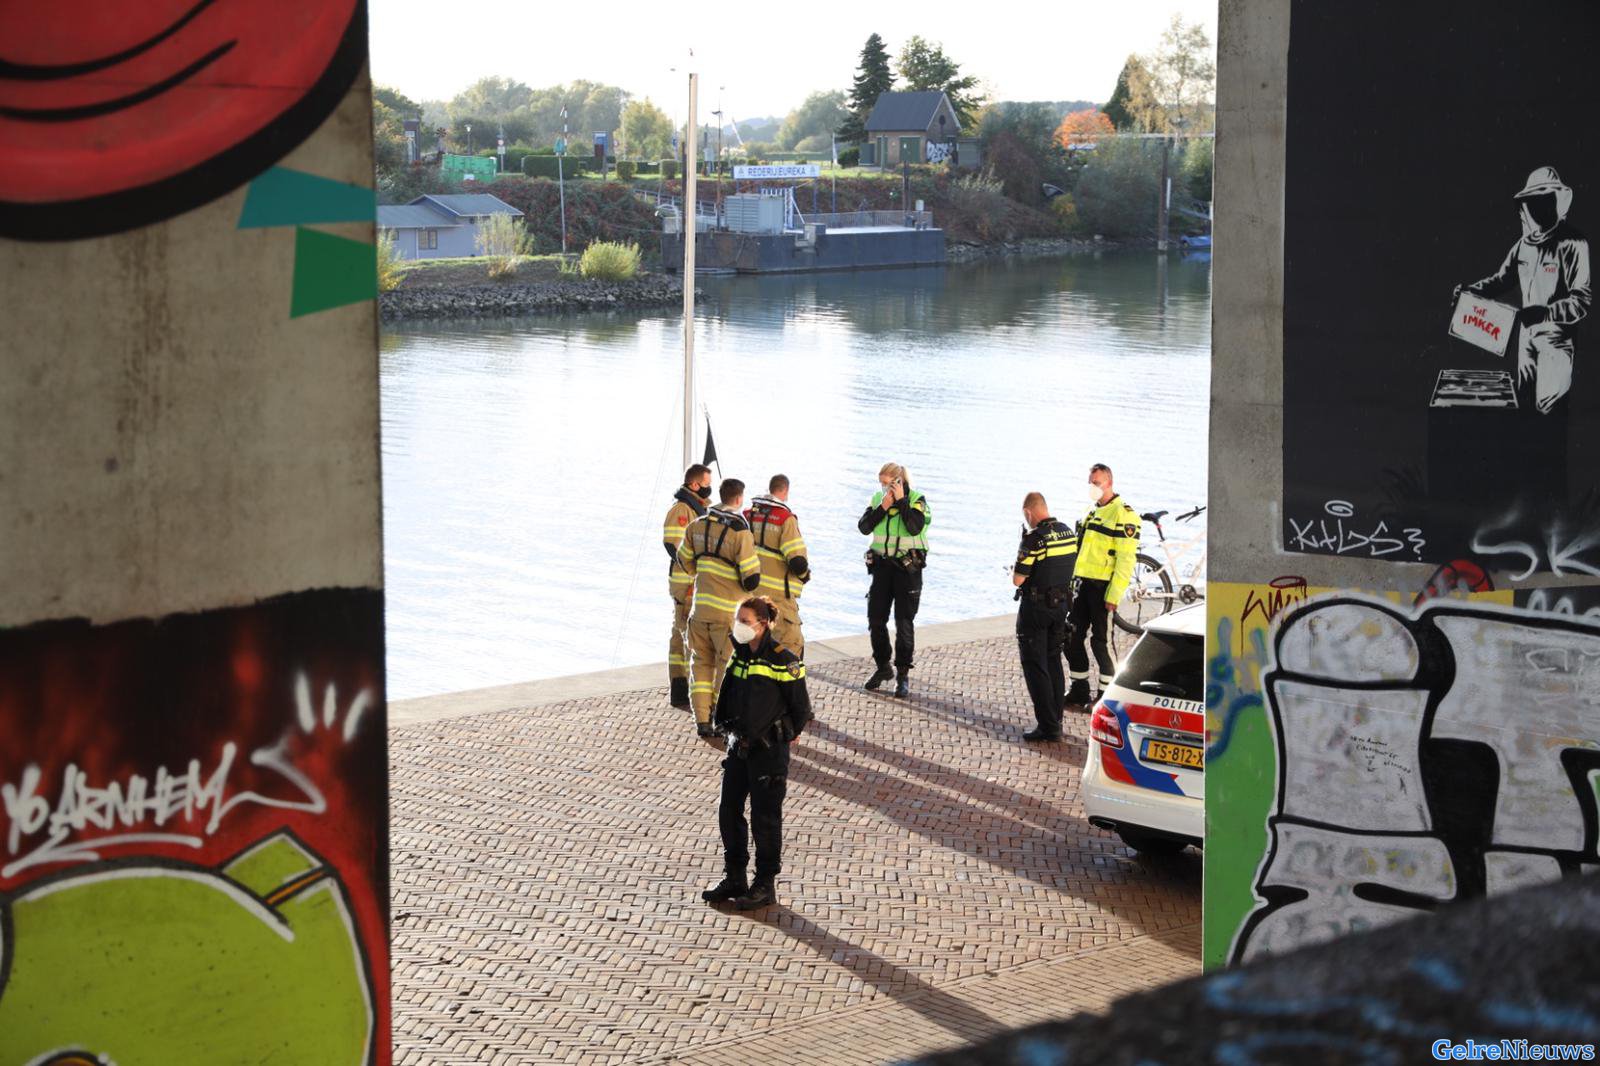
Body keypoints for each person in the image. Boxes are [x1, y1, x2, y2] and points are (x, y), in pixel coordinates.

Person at [702, 596, 813, 911]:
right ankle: (735, 876)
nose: (739, 626)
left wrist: (782, 737)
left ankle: (764, 884)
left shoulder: (784, 661)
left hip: (768, 754)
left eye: (745, 621)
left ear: (763, 624)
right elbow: (729, 697)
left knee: (765, 819)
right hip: (739, 749)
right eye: (738, 619)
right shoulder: (740, 657)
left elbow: (801, 709)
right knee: (729, 811)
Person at [1455, 166, 1591, 415]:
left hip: (1556, 343)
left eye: (1543, 200)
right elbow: (1501, 280)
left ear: (1555, 200)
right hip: (1526, 339)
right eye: (1532, 201)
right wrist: (1470, 292)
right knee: (1525, 409)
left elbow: (1581, 300)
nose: (1536, 208)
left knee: (1550, 411)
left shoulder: (1573, 243)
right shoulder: (1522, 246)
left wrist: (1546, 313)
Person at [677, 479, 761, 737]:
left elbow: (683, 562)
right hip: (727, 614)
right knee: (726, 668)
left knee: (700, 665)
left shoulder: (696, 526)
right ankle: (721, 720)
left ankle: (702, 720)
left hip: (700, 611)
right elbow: (751, 579)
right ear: (739, 499)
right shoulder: (740, 533)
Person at [1065, 464, 1140, 710]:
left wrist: (1114, 594)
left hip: (1103, 588)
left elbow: (1126, 560)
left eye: (1096, 483)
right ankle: (1079, 690)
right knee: (1071, 637)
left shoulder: (1124, 514)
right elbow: (1080, 550)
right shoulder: (1091, 511)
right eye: (1090, 482)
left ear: (1109, 483)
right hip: (1082, 585)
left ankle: (1109, 695)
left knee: (1101, 642)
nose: (1092, 487)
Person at [858, 462, 931, 698]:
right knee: (875, 620)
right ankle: (883, 668)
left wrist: (901, 503)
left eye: (887, 483)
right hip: (882, 570)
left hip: (907, 572)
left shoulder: (918, 500)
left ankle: (902, 676)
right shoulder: (879, 499)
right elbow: (864, 527)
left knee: (903, 623)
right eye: (881, 482)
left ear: (899, 481)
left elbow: (913, 527)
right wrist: (883, 507)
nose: (883, 487)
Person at [1012, 492, 1078, 741]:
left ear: (1029, 513)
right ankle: (1056, 719)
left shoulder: (1034, 539)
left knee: (1034, 665)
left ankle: (1048, 726)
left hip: (1036, 610)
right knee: (1053, 661)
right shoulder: (1069, 533)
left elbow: (1018, 578)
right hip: (1061, 606)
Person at [663, 464, 713, 708]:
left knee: (686, 631)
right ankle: (681, 686)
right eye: (706, 483)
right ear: (694, 485)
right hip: (685, 581)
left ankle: (685, 686)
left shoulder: (700, 507)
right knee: (682, 632)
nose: (708, 487)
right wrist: (691, 569)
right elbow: (672, 545)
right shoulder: (682, 509)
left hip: (694, 579)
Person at [746, 475, 810, 657]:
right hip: (779, 596)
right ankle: (788, 685)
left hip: (752, 594)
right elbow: (797, 561)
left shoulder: (748, 515)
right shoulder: (785, 519)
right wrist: (805, 575)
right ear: (785, 491)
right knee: (792, 644)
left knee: (755, 647)